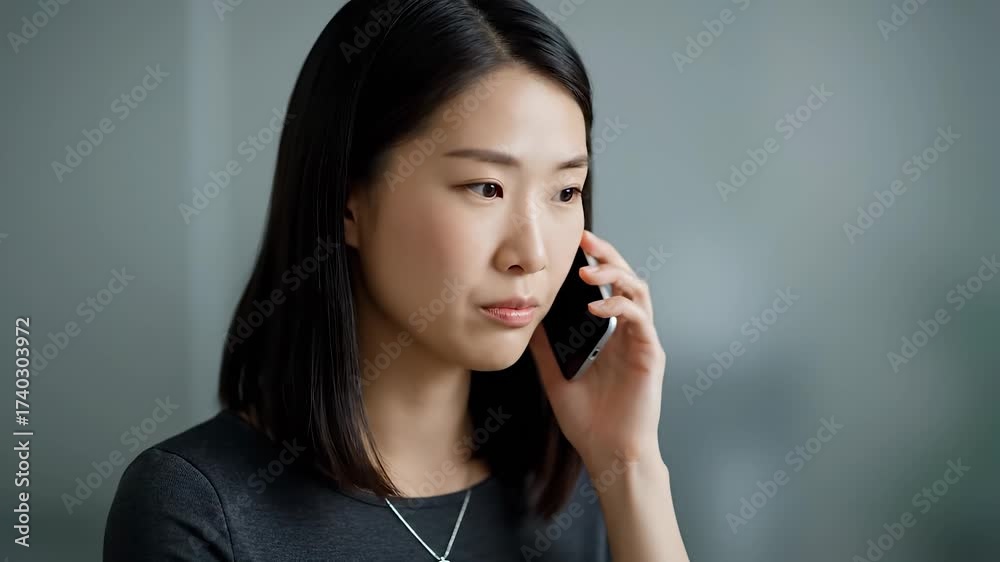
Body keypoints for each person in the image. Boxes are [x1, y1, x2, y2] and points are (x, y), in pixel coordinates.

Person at [103, 0, 689, 560]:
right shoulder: (198, 507)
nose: (533, 254)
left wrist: (631, 466)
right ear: (350, 201)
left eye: (565, 192)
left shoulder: (572, 483)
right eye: (485, 188)